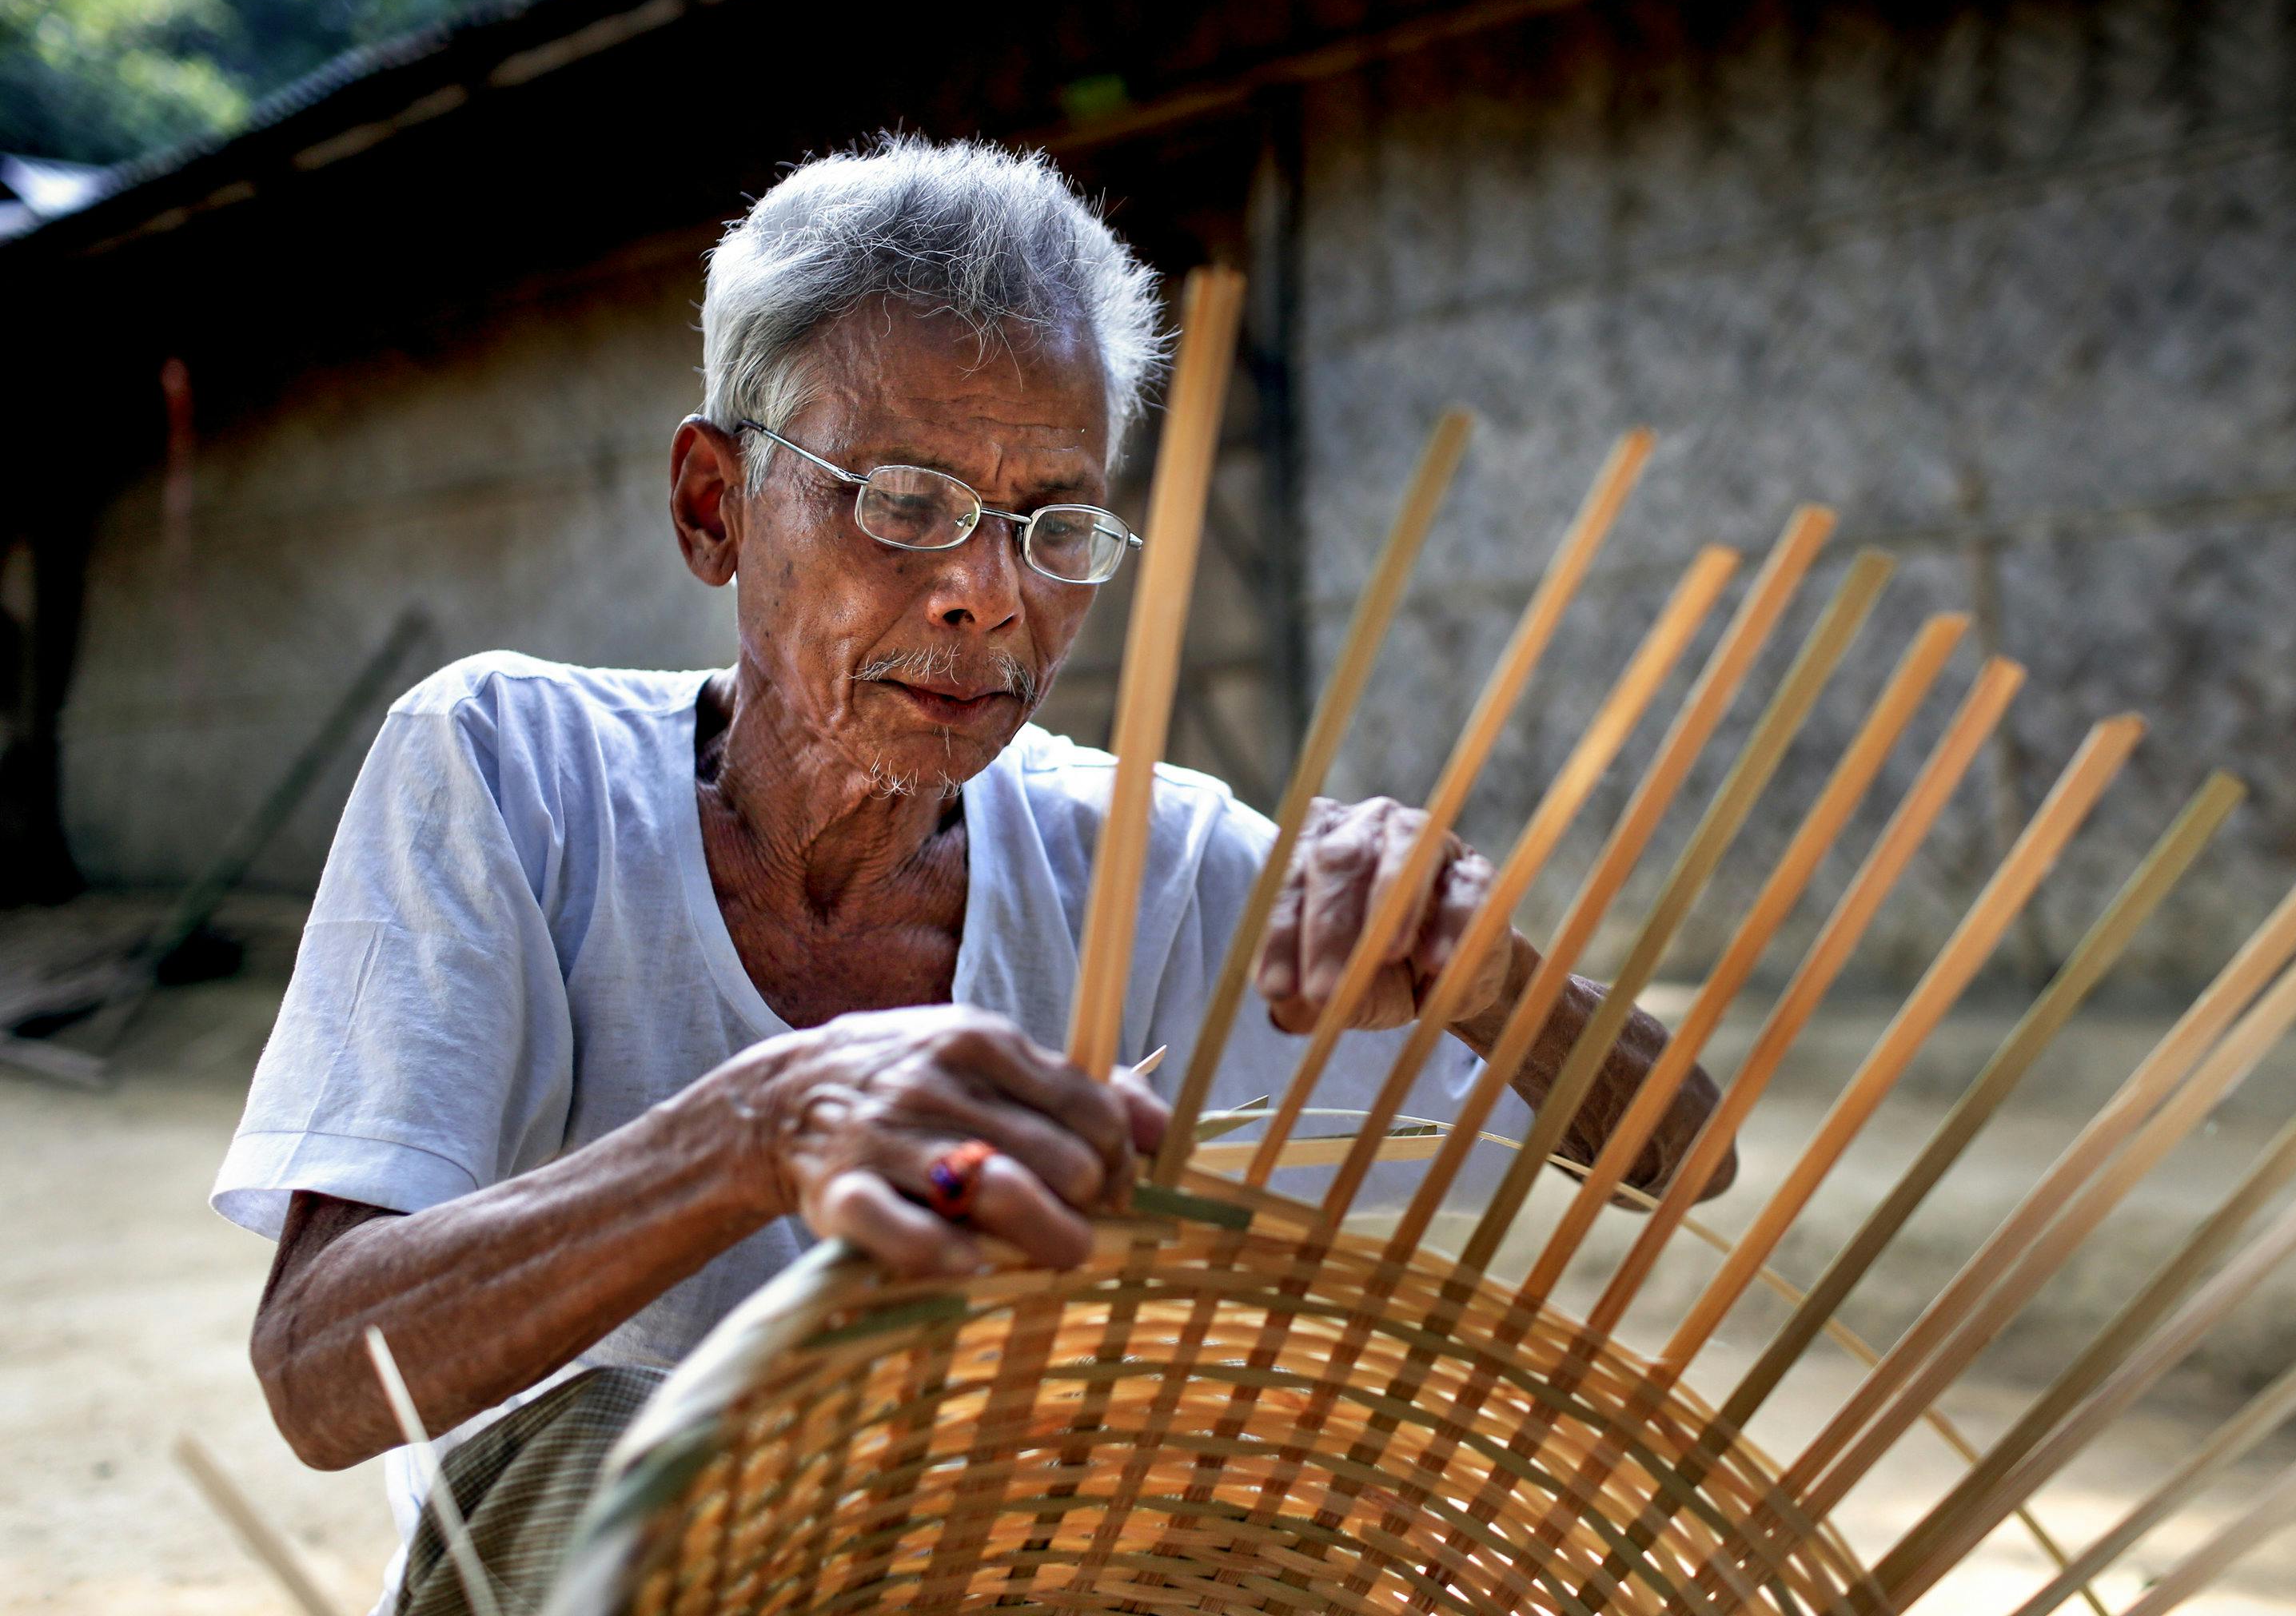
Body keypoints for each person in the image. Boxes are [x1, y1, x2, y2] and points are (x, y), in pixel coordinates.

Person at [213, 135, 1728, 1613]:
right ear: (714, 507)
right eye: (903, 501)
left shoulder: (1156, 858)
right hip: (591, 1564)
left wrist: (1496, 973)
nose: (984, 597)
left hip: (995, 1569)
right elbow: (320, 1376)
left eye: (1054, 526)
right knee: (633, 1439)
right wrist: (758, 1129)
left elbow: (1682, 1153)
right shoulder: (507, 765)